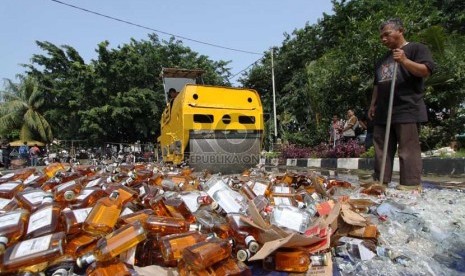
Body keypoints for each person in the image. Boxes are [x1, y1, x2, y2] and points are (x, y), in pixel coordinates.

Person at [369, 18, 435, 191]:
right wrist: (373, 104)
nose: (383, 39)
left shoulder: (416, 49)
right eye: (381, 36)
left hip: (406, 106)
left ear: (400, 31)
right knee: (381, 147)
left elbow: (425, 71)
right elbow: (377, 83)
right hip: (383, 110)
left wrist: (404, 61)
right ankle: (381, 180)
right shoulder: (383, 59)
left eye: (387, 34)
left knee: (407, 147)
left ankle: (410, 183)